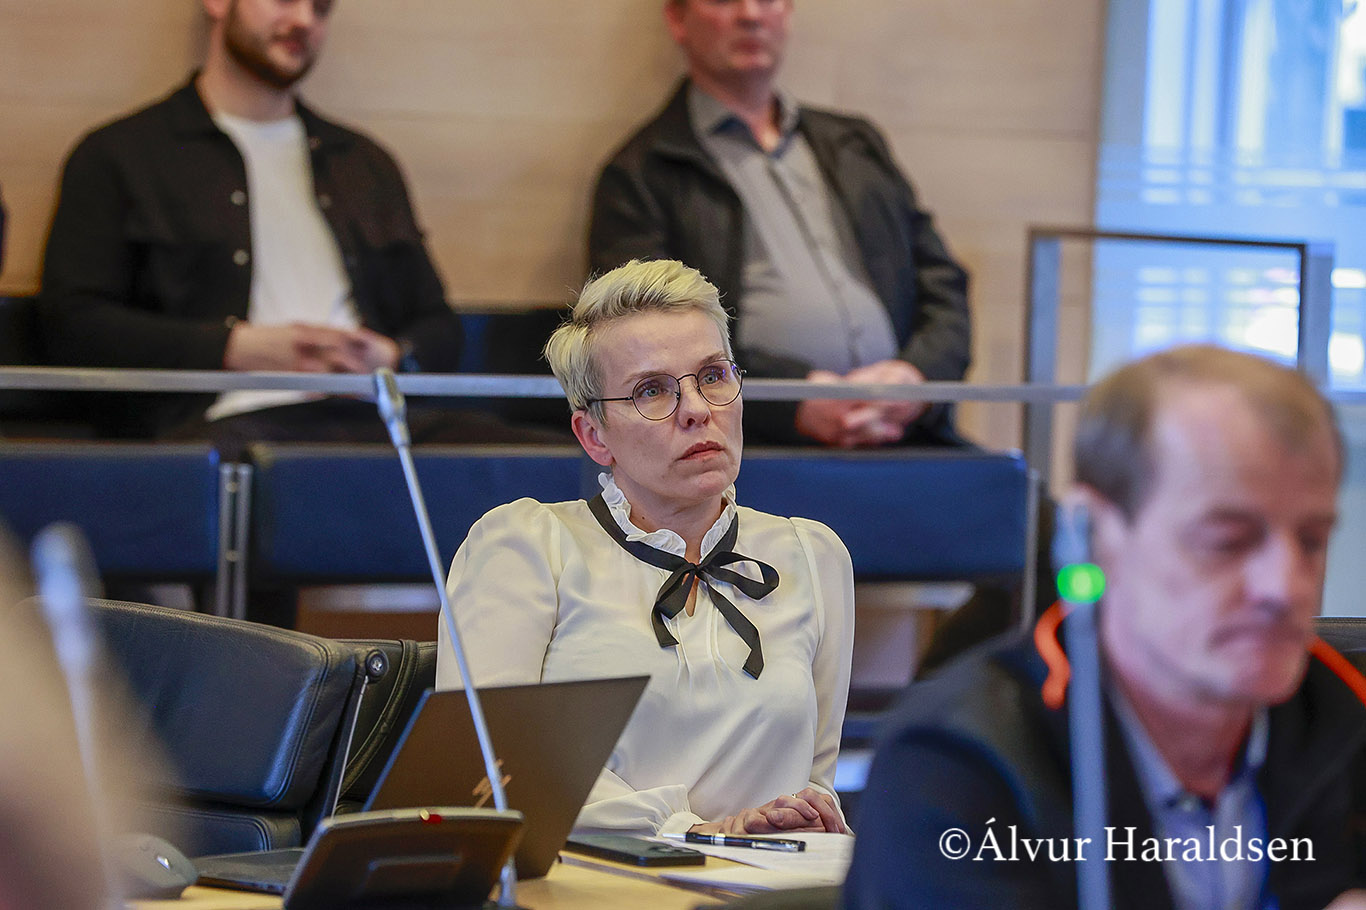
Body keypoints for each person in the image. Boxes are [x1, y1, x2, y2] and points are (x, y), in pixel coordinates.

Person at [842, 345, 1366, 910]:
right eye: (1227, 541)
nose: (1284, 587)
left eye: (1312, 541)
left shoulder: (1345, 720)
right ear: (1092, 534)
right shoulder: (958, 760)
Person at [436, 259, 854, 836]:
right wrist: (691, 832)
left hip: (767, 879)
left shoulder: (814, 554)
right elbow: (490, 767)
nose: (697, 410)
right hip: (597, 877)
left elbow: (816, 778)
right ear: (593, 435)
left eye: (713, 376)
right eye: (651, 390)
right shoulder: (526, 545)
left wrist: (804, 816)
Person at [38, 0, 553, 455]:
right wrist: (233, 349)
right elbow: (73, 326)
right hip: (228, 426)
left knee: (559, 466)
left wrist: (391, 355)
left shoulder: (363, 163)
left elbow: (438, 325)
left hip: (379, 419)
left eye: (321, 7)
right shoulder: (120, 156)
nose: (304, 20)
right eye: (285, 0)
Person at [589, 0, 971, 449]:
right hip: (751, 450)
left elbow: (944, 287)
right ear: (678, 19)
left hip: (907, 435)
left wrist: (916, 378)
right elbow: (646, 334)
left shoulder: (856, 144)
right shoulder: (640, 173)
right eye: (724, 0)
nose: (751, 15)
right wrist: (791, 403)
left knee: (1015, 484)